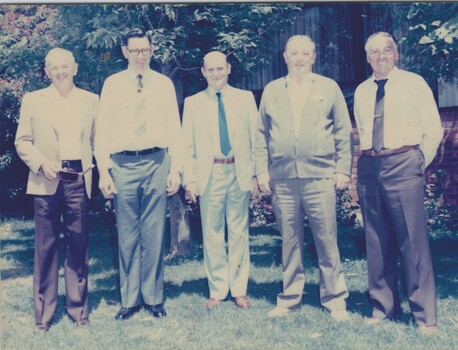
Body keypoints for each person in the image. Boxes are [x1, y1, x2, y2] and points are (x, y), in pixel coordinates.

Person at [255, 35, 352, 320]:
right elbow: (260, 135)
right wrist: (262, 170)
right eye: (293, 53)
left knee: (326, 238)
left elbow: (343, 131)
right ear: (284, 57)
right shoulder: (272, 91)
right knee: (289, 240)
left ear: (313, 56)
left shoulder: (328, 87)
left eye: (305, 53)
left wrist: (342, 168)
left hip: (319, 177)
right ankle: (289, 298)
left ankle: (335, 299)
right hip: (283, 179)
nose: (299, 58)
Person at [353, 32, 443, 335]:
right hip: (368, 166)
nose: (381, 56)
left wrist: (419, 162)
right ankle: (383, 306)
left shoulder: (414, 83)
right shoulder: (362, 91)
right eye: (375, 52)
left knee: (412, 241)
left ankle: (423, 315)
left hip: (404, 162)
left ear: (396, 54)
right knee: (376, 240)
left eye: (387, 50)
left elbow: (433, 128)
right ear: (368, 58)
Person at [94, 27, 183, 320]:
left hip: (157, 161)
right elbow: (102, 132)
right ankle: (130, 299)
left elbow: (174, 129)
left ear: (152, 50)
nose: (141, 55)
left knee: (155, 231)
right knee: (128, 234)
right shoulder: (112, 84)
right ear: (125, 52)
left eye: (145, 50)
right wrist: (104, 173)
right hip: (122, 165)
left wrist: (176, 168)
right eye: (135, 51)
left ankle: (154, 298)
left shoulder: (164, 84)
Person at [15, 48, 98, 331]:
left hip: (78, 177)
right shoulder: (33, 100)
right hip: (46, 179)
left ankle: (78, 309)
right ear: (47, 71)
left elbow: (97, 141)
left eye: (65, 66)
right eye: (54, 67)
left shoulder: (91, 100)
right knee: (46, 246)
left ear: (74, 68)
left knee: (78, 243)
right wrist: (40, 163)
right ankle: (44, 313)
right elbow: (23, 141)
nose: (60, 72)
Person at [182, 51, 258, 309]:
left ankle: (239, 288)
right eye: (210, 69)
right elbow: (187, 146)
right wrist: (189, 179)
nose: (216, 74)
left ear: (228, 69)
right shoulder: (193, 103)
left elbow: (255, 140)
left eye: (220, 68)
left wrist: (257, 173)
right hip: (210, 174)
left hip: (238, 171)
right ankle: (217, 289)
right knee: (212, 233)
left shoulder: (245, 99)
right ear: (203, 72)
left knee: (238, 231)